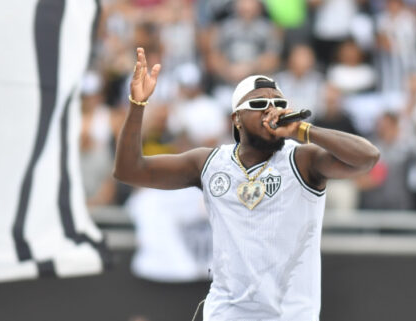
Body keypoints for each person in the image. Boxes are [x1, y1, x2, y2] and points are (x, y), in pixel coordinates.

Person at [113, 48, 380, 320]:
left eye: (277, 102)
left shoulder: (301, 159)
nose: (270, 109)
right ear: (236, 118)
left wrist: (302, 130)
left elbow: (367, 158)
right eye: (258, 104)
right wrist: (137, 105)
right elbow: (129, 170)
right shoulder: (209, 163)